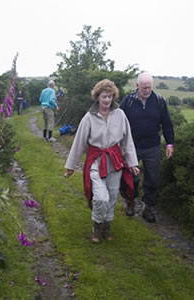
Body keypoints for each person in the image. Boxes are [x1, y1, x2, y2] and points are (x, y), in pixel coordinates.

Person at [64, 79, 140, 243]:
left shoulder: (120, 115)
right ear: (97, 97)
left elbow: (128, 141)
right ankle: (96, 226)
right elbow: (79, 142)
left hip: (115, 161)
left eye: (110, 97)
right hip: (96, 161)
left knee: (112, 196)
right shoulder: (89, 117)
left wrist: (133, 163)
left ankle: (107, 226)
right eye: (104, 96)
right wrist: (70, 167)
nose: (107, 100)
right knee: (100, 197)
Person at [119, 72, 174, 223]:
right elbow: (117, 122)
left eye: (149, 87)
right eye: (144, 88)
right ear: (137, 86)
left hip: (153, 146)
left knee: (153, 179)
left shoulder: (159, 101)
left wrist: (170, 143)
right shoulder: (128, 101)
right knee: (132, 178)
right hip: (132, 146)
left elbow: (167, 124)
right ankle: (130, 202)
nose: (147, 91)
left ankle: (147, 207)